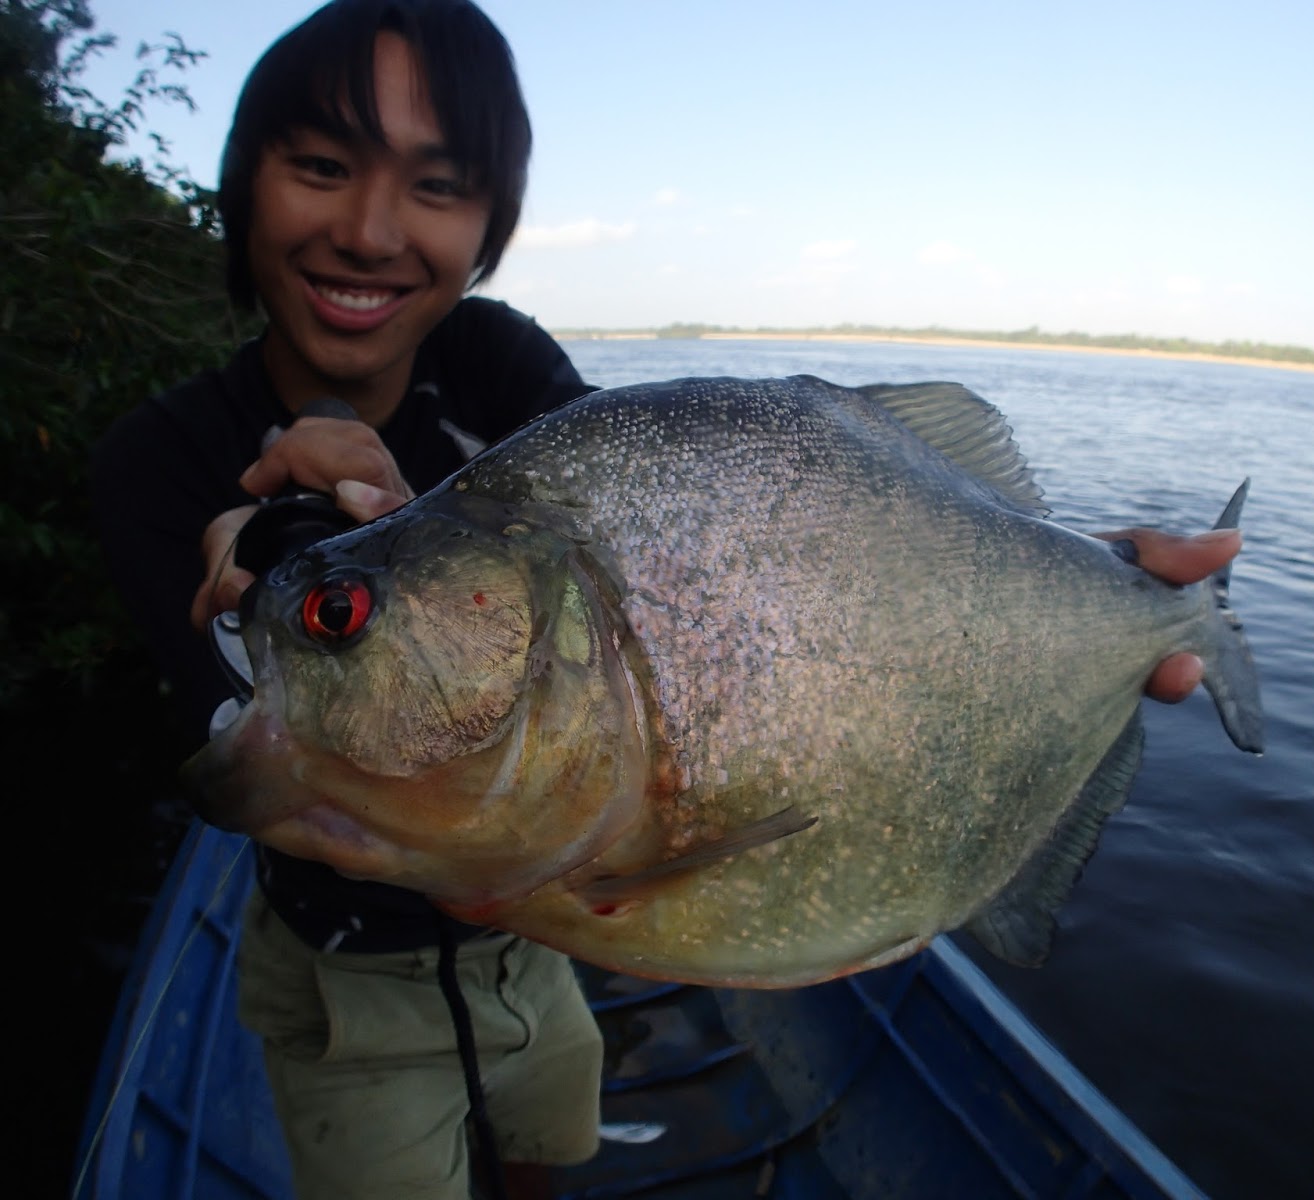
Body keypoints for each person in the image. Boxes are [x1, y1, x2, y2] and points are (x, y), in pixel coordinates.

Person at [89, 1, 1240, 1197]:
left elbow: (712, 547)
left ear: (489, 226)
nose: (371, 229)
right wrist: (272, 572)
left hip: (532, 943)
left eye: (436, 187)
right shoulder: (152, 463)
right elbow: (230, 743)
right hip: (342, 974)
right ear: (241, 180)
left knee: (545, 1137)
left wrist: (1072, 576)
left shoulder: (497, 368)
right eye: (322, 166)